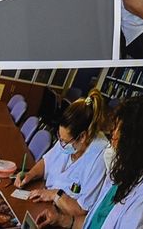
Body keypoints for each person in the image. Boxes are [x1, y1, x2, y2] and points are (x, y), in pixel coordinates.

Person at [42, 96, 143, 229]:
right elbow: (94, 222)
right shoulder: (122, 170)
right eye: (115, 128)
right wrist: (61, 220)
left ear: (135, 141)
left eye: (120, 131)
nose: (114, 136)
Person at [34, 93, 112, 221]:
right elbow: (47, 161)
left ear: (82, 137)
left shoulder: (100, 157)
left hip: (63, 218)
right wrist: (29, 175)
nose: (61, 144)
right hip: (46, 203)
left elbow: (82, 210)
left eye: (65, 141)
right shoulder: (67, 138)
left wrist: (55, 194)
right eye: (59, 137)